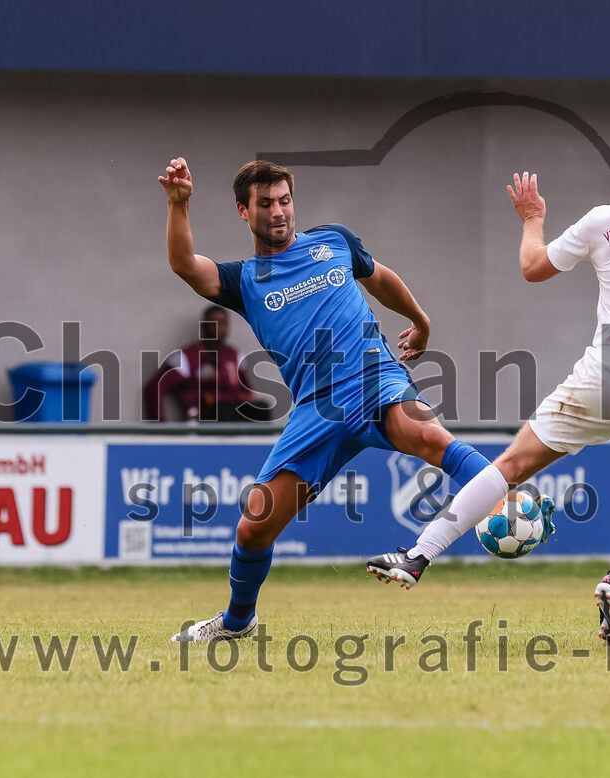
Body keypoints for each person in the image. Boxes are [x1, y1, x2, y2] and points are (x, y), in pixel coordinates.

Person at [367, 146, 610, 648]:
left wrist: (533, 218)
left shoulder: (603, 220)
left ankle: (419, 554)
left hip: (602, 375)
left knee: (510, 466)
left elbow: (532, 266)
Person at [160, 157, 501, 642]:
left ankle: (506, 499)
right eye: (265, 204)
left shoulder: (333, 241)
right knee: (252, 528)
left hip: (374, 380)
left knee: (426, 433)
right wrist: (179, 205)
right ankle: (238, 623)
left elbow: (379, 277)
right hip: (316, 411)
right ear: (243, 211)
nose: (278, 212)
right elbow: (183, 265)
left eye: (284, 201)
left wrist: (420, 320)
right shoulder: (244, 280)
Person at [142, 304, 270, 422]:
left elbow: (246, 391)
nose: (219, 328)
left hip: (232, 412)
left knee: (262, 408)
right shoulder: (186, 357)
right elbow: (154, 388)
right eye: (214, 323)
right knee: (222, 410)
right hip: (204, 416)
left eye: (223, 323)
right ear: (204, 326)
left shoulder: (234, 356)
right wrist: (160, 427)